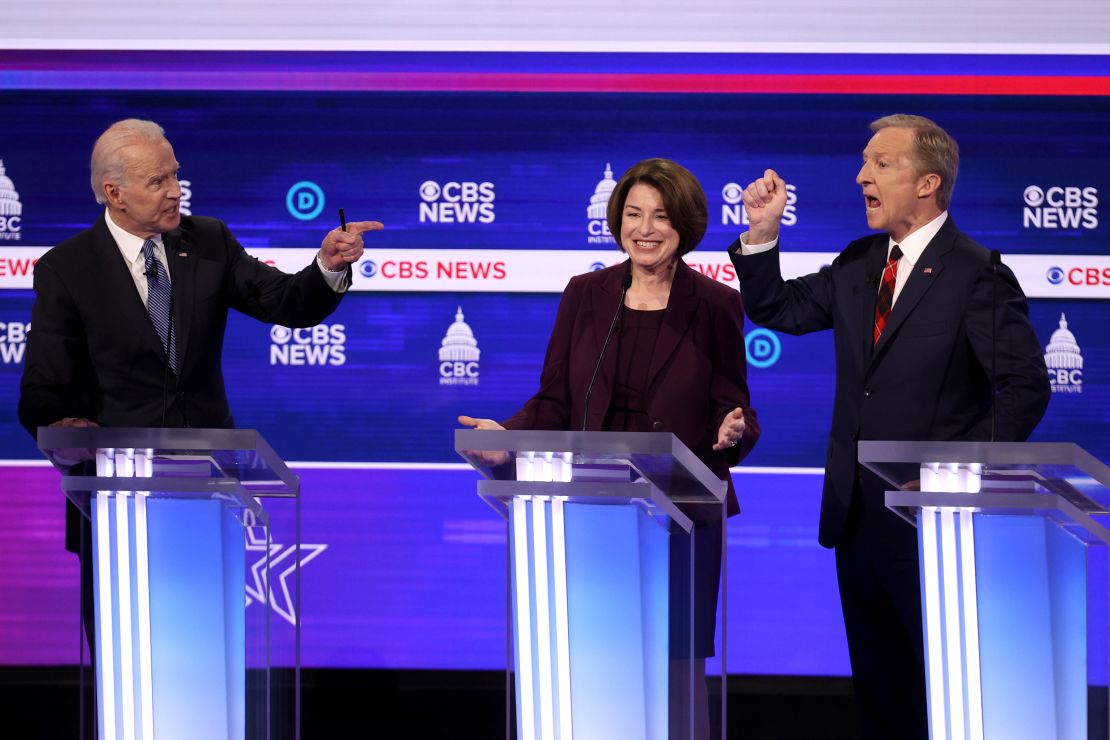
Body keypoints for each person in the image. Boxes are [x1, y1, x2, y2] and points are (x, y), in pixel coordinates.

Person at [17, 118, 380, 693]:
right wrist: (64, 427)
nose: (174, 191)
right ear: (115, 193)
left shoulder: (207, 242)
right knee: (126, 675)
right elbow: (41, 389)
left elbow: (284, 302)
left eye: (176, 176)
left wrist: (328, 267)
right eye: (158, 181)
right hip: (114, 505)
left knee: (205, 676)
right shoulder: (67, 268)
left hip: (207, 492)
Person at [730, 114, 1050, 739]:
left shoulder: (976, 274)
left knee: (944, 696)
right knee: (882, 698)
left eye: (880, 163)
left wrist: (951, 477)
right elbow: (778, 309)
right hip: (859, 522)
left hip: (936, 527)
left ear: (927, 182)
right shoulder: (859, 263)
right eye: (863, 162)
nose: (861, 176)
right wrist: (763, 235)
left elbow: (1026, 388)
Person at [460, 157, 760, 736]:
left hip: (682, 517)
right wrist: (509, 440)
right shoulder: (586, 295)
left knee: (674, 676)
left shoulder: (716, 306)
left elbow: (737, 408)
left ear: (686, 226)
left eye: (661, 217)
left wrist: (734, 430)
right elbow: (554, 401)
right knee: (590, 661)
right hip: (590, 512)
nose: (644, 229)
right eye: (633, 214)